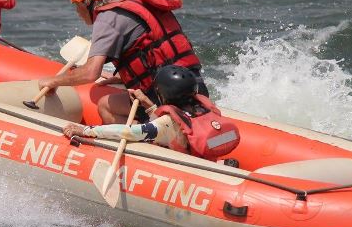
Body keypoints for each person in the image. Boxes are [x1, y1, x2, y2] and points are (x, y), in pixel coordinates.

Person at [36, 0, 206, 123]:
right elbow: (158, 54)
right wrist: (122, 78)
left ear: (86, 3)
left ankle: (148, 139)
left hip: (166, 99)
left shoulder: (106, 18)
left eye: (77, 6)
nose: (77, 13)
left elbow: (90, 73)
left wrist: (53, 81)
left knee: (105, 106)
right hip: (196, 87)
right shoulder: (136, 5)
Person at [61, 65, 239, 161]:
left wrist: (86, 130)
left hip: (184, 167)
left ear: (162, 94)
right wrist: (147, 103)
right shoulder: (204, 108)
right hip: (203, 158)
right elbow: (172, 125)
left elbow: (128, 132)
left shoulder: (167, 124)